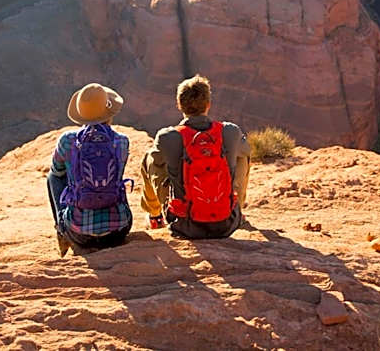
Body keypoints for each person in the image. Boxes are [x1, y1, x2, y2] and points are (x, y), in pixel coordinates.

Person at [140, 74, 250, 239]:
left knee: (150, 158)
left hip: (183, 225)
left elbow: (156, 163)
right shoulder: (230, 131)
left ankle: (155, 216)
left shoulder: (167, 137)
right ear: (208, 104)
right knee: (242, 155)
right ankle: (236, 208)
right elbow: (247, 151)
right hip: (226, 224)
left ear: (179, 105)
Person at [47, 83, 133, 255]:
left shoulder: (67, 140)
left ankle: (62, 231)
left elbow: (57, 172)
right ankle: (112, 217)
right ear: (109, 112)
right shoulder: (121, 141)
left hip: (79, 233)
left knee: (54, 176)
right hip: (118, 231)